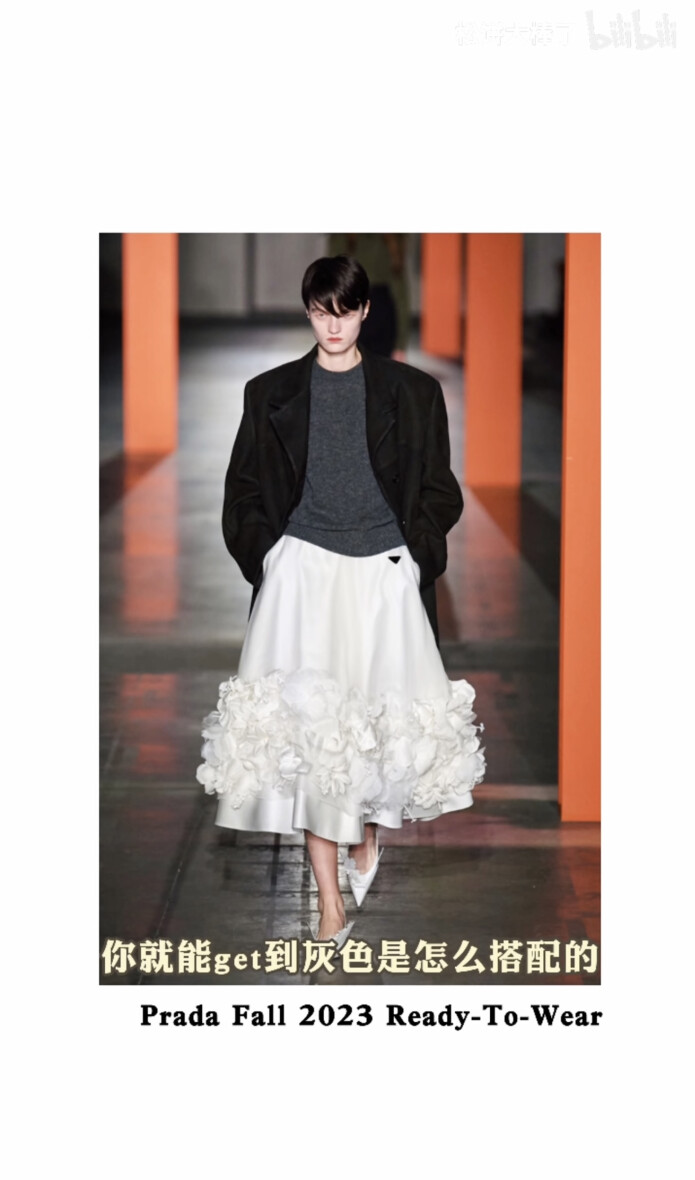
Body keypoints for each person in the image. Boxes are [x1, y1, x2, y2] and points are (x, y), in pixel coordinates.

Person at [196, 255, 485, 945]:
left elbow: (440, 490)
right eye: (322, 312)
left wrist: (414, 556)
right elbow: (243, 491)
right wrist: (270, 557)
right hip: (303, 576)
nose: (333, 325)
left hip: (382, 577)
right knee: (309, 737)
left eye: (345, 311)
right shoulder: (269, 394)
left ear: (364, 312)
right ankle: (329, 905)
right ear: (308, 311)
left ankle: (367, 835)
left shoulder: (413, 394)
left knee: (382, 727)